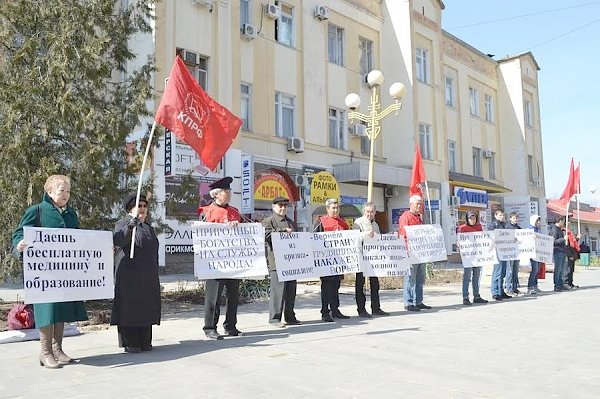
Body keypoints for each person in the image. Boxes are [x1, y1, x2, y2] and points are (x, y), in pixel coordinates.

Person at [12, 175, 88, 369]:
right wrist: (19, 244)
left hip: (65, 272)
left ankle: (58, 349)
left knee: (61, 309)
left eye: (68, 191)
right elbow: (19, 233)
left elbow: (78, 237)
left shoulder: (71, 214)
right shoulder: (37, 210)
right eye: (62, 191)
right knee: (47, 310)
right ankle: (45, 352)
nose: (66, 195)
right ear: (50, 192)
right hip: (43, 273)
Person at [111, 193, 161, 353]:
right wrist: (130, 227)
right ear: (131, 209)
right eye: (139, 206)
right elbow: (118, 240)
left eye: (145, 206)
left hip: (147, 276)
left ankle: (145, 340)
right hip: (129, 276)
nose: (143, 209)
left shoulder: (148, 228)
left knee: (146, 306)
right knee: (130, 308)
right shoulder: (123, 223)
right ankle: (130, 341)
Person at [198, 177, 243, 339]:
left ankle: (230, 326)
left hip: (233, 262)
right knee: (213, 297)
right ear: (216, 195)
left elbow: (248, 230)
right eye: (226, 192)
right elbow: (202, 235)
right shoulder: (207, 212)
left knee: (233, 296)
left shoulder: (235, 212)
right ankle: (210, 327)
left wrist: (240, 227)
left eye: (230, 191)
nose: (229, 194)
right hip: (214, 263)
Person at [263, 196, 301, 327]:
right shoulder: (269, 221)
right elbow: (266, 235)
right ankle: (274, 318)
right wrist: (283, 231)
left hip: (292, 262)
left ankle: (290, 317)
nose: (283, 208)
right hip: (277, 262)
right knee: (278, 291)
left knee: (291, 291)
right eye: (280, 205)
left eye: (285, 206)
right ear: (273, 207)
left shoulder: (291, 222)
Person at [314, 198, 350, 322]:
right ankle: (325, 312)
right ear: (327, 209)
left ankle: (335, 310)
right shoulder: (321, 222)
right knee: (326, 287)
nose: (336, 210)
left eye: (337, 208)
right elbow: (314, 239)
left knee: (336, 285)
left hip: (339, 261)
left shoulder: (343, 222)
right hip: (326, 261)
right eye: (333, 208)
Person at [352, 202, 389, 317]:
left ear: (375, 212)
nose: (369, 214)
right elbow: (354, 237)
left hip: (373, 259)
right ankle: (361, 309)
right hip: (361, 258)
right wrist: (366, 234)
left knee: (375, 284)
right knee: (360, 284)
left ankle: (376, 307)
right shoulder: (358, 222)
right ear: (364, 211)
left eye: (372, 212)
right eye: (367, 211)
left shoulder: (376, 225)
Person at [398, 195, 432, 312]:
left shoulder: (419, 217)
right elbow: (403, 235)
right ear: (411, 204)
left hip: (420, 253)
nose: (419, 206)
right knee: (410, 278)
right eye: (417, 203)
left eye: (421, 204)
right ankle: (408, 302)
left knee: (420, 278)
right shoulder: (405, 217)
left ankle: (418, 300)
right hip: (410, 252)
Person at [457, 211, 488, 305]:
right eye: (470, 218)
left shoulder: (479, 227)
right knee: (467, 276)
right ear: (467, 218)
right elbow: (459, 240)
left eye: (474, 218)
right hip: (468, 257)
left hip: (477, 256)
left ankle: (476, 296)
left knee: (476, 276)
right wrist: (458, 244)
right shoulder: (462, 228)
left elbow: (483, 239)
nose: (472, 220)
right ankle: (465, 297)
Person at [489, 209, 511, 301]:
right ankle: (495, 292)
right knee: (497, 272)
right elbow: (489, 237)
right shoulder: (493, 225)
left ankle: (501, 291)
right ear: (495, 216)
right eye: (500, 215)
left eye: (503, 215)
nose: (502, 217)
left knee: (503, 272)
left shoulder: (504, 225)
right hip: (497, 251)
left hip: (504, 251)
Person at [504, 212, 522, 295]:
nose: (515, 219)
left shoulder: (518, 228)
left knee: (515, 270)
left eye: (517, 218)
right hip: (509, 252)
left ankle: (515, 288)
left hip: (517, 252)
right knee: (509, 271)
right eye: (514, 218)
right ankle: (508, 288)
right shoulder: (507, 227)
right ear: (510, 218)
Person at [548, 216, 568, 292]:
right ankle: (556, 285)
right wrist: (563, 239)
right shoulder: (554, 229)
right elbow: (553, 241)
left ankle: (560, 284)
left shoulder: (559, 229)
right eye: (563, 221)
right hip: (557, 251)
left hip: (562, 251)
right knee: (558, 269)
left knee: (562, 269)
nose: (563, 223)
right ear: (560, 221)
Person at [527, 214, 542, 294]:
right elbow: (525, 239)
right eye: (537, 221)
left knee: (537, 270)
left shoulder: (538, 229)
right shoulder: (529, 229)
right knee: (534, 269)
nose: (539, 222)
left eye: (539, 221)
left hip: (538, 253)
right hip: (532, 252)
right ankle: (530, 286)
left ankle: (535, 286)